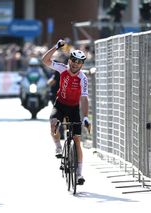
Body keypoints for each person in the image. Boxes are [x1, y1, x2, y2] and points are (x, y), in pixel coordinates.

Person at [42, 39, 90, 185]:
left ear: (82, 64)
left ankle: (79, 173)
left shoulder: (83, 78)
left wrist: (86, 117)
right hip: (61, 104)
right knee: (54, 123)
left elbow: (84, 98)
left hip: (74, 108)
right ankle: (57, 146)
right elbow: (45, 60)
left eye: (79, 62)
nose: (75, 64)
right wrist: (56, 47)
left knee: (77, 140)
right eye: (74, 60)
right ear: (70, 60)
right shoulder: (62, 68)